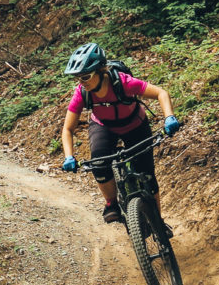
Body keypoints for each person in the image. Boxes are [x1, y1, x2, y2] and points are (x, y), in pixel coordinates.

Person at [58, 42, 180, 224]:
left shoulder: (123, 83)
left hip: (135, 124)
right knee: (99, 164)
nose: (81, 83)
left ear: (100, 71)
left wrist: (169, 117)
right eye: (78, 78)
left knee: (147, 174)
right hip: (103, 127)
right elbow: (68, 129)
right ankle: (111, 203)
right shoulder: (82, 93)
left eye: (85, 77)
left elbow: (161, 93)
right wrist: (69, 156)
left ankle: (158, 221)